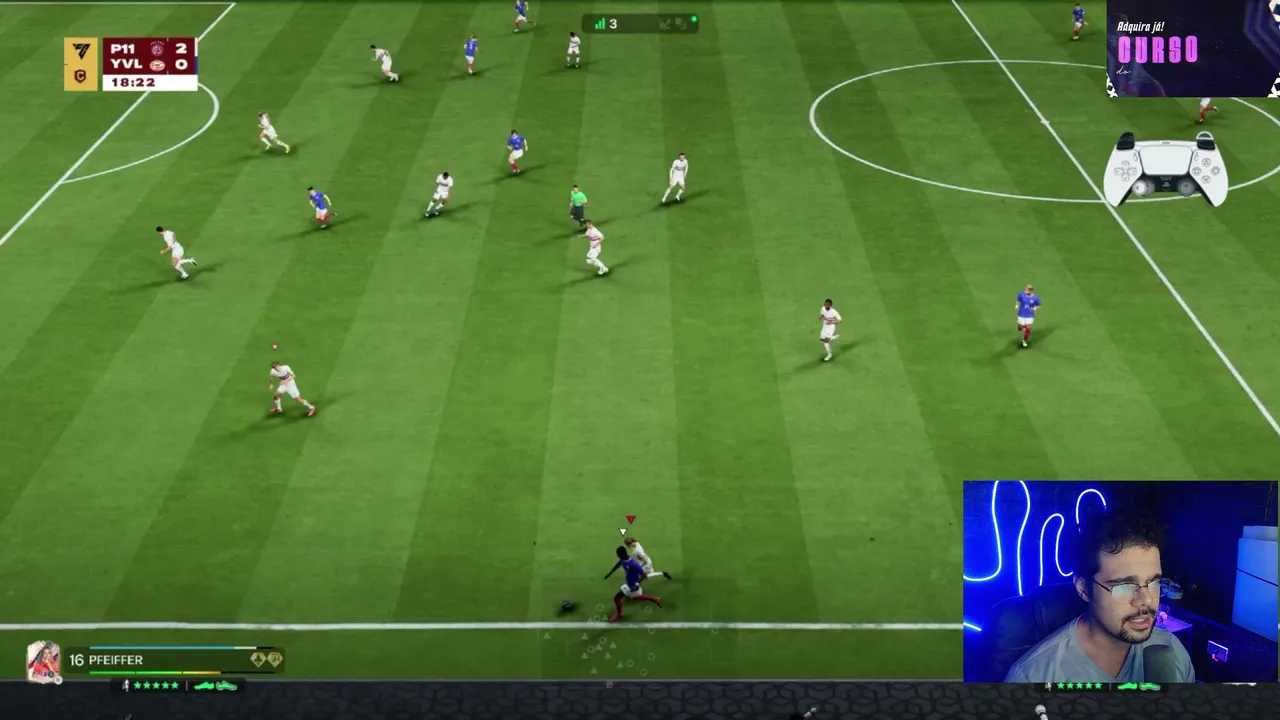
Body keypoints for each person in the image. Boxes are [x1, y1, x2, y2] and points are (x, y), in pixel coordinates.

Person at [1003, 511, 1194, 683]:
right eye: (1125, 586)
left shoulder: (1173, 652)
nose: (1146, 600)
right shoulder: (1033, 676)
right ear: (1084, 589)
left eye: (1153, 582)